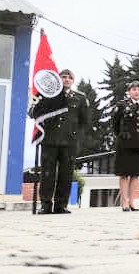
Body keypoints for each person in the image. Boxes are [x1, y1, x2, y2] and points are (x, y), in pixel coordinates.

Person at [29, 68, 90, 214]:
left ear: (73, 81)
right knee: (47, 173)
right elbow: (33, 113)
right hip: (50, 139)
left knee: (66, 174)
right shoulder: (48, 94)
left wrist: (75, 136)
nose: (66, 79)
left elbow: (84, 121)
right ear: (58, 79)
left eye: (70, 77)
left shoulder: (80, 98)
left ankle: (61, 205)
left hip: (69, 142)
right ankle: (45, 204)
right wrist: (40, 102)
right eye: (63, 77)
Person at [112, 80, 139, 211]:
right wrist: (122, 135)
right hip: (125, 143)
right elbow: (115, 124)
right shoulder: (122, 105)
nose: (136, 92)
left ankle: (132, 202)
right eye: (134, 89)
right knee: (124, 174)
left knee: (135, 174)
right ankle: (124, 202)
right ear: (129, 92)